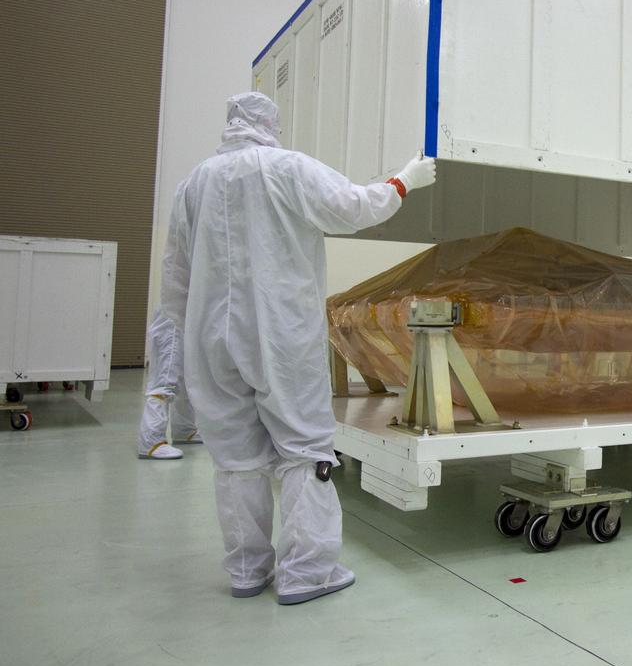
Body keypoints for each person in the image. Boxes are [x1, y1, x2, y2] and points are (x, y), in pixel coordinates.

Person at [161, 92, 437, 604]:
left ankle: (247, 569)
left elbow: (176, 273)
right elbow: (354, 207)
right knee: (305, 449)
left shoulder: (193, 183)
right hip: (279, 333)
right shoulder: (285, 168)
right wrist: (403, 180)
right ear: (271, 124)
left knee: (236, 457)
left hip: (209, 339)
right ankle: (308, 572)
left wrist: (188, 330)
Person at [136, 309, 200, 460]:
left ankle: (185, 430)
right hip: (171, 323)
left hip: (183, 318)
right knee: (165, 380)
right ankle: (151, 442)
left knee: (184, 376)